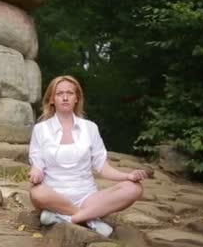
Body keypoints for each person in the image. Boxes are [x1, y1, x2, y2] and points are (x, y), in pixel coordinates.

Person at [28, 75, 147, 237]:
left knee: (134, 188)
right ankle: (91, 219)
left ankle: (69, 217)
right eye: (59, 93)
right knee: (36, 192)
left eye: (69, 93)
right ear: (51, 99)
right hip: (54, 197)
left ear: (77, 98)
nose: (64, 97)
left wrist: (128, 175)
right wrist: (36, 171)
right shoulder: (40, 129)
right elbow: (37, 162)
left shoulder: (90, 128)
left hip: (88, 197)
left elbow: (103, 168)